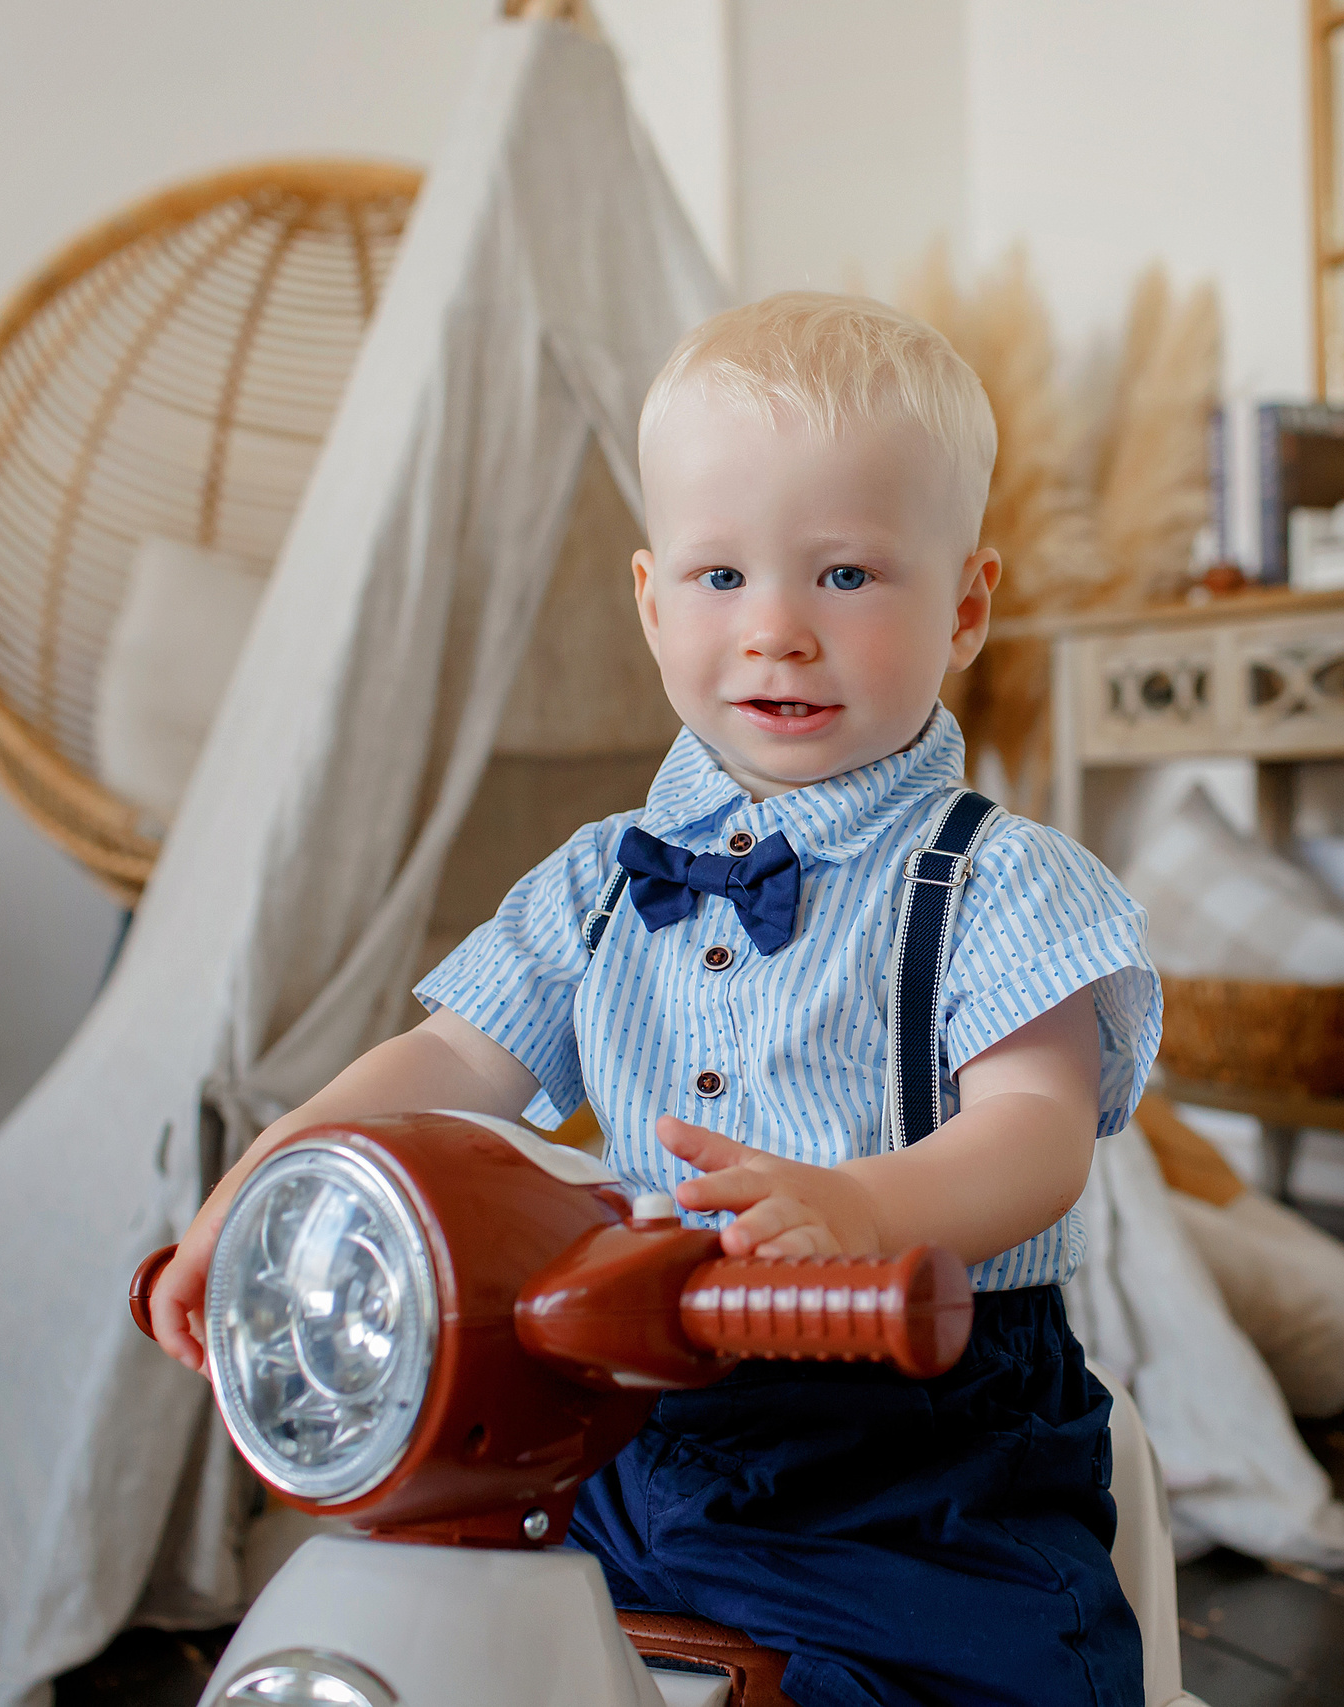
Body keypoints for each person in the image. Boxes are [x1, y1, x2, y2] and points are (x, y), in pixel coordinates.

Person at [146, 291, 1161, 1706]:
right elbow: (451, 1059)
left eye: (849, 577)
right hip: (622, 1425)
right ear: (650, 599)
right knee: (478, 1638)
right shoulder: (600, 881)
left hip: (912, 1451)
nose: (779, 633)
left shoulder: (999, 883)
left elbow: (1038, 1132)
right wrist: (271, 1182)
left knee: (965, 1683)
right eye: (721, 578)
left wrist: (865, 1209)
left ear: (967, 606)